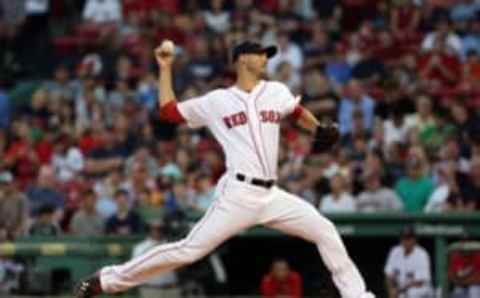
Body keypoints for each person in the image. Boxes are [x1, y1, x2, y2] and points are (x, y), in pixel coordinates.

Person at [75, 40, 375, 298]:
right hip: (238, 194)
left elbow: (295, 112)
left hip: (272, 195)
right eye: (261, 54)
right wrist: (165, 68)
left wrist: (318, 127)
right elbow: (169, 111)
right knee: (188, 250)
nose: (266, 59)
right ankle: (106, 280)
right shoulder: (218, 100)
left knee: (325, 230)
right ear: (244, 60)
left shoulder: (275, 91)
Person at [132, 220, 180, 298]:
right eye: (154, 229)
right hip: (150, 288)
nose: (157, 231)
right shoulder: (140, 248)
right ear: (149, 230)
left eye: (160, 229)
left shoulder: (172, 246)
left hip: (171, 288)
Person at [385, 227, 432, 298]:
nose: (406, 241)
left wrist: (399, 290)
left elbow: (420, 282)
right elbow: (388, 275)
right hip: (400, 289)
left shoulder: (422, 254)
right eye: (404, 238)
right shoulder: (395, 251)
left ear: (414, 240)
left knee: (412, 293)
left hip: (420, 290)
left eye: (409, 239)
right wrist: (392, 290)